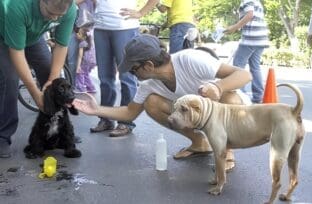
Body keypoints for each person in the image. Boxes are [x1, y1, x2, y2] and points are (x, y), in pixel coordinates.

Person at [72, 34, 252, 171]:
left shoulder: (190, 59)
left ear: (148, 66)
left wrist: (218, 87)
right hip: (196, 116)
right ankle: (199, 143)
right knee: (151, 103)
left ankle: (226, 150)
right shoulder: (148, 85)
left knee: (228, 97)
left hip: (234, 115)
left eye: (133, 70)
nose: (132, 74)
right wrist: (96, 110)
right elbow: (129, 113)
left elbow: (244, 75)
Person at [0, 0, 76, 158]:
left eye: (59, 16)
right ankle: (3, 137)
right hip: (4, 35)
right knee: (10, 79)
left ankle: (60, 132)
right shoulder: (17, 5)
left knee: (51, 72)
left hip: (33, 37)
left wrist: (53, 79)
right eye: (50, 14)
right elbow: (17, 51)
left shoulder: (70, 9)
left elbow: (61, 46)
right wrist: (35, 94)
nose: (55, 19)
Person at [89, 0, 158, 137]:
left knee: (127, 76)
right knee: (104, 77)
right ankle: (105, 118)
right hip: (100, 27)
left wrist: (141, 12)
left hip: (124, 27)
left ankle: (126, 122)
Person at [225, 0, 269, 104]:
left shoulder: (247, 1)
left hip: (251, 38)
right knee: (255, 67)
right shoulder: (257, 1)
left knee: (238, 65)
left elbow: (250, 14)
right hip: (261, 38)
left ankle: (241, 95)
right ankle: (258, 96)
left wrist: (235, 27)